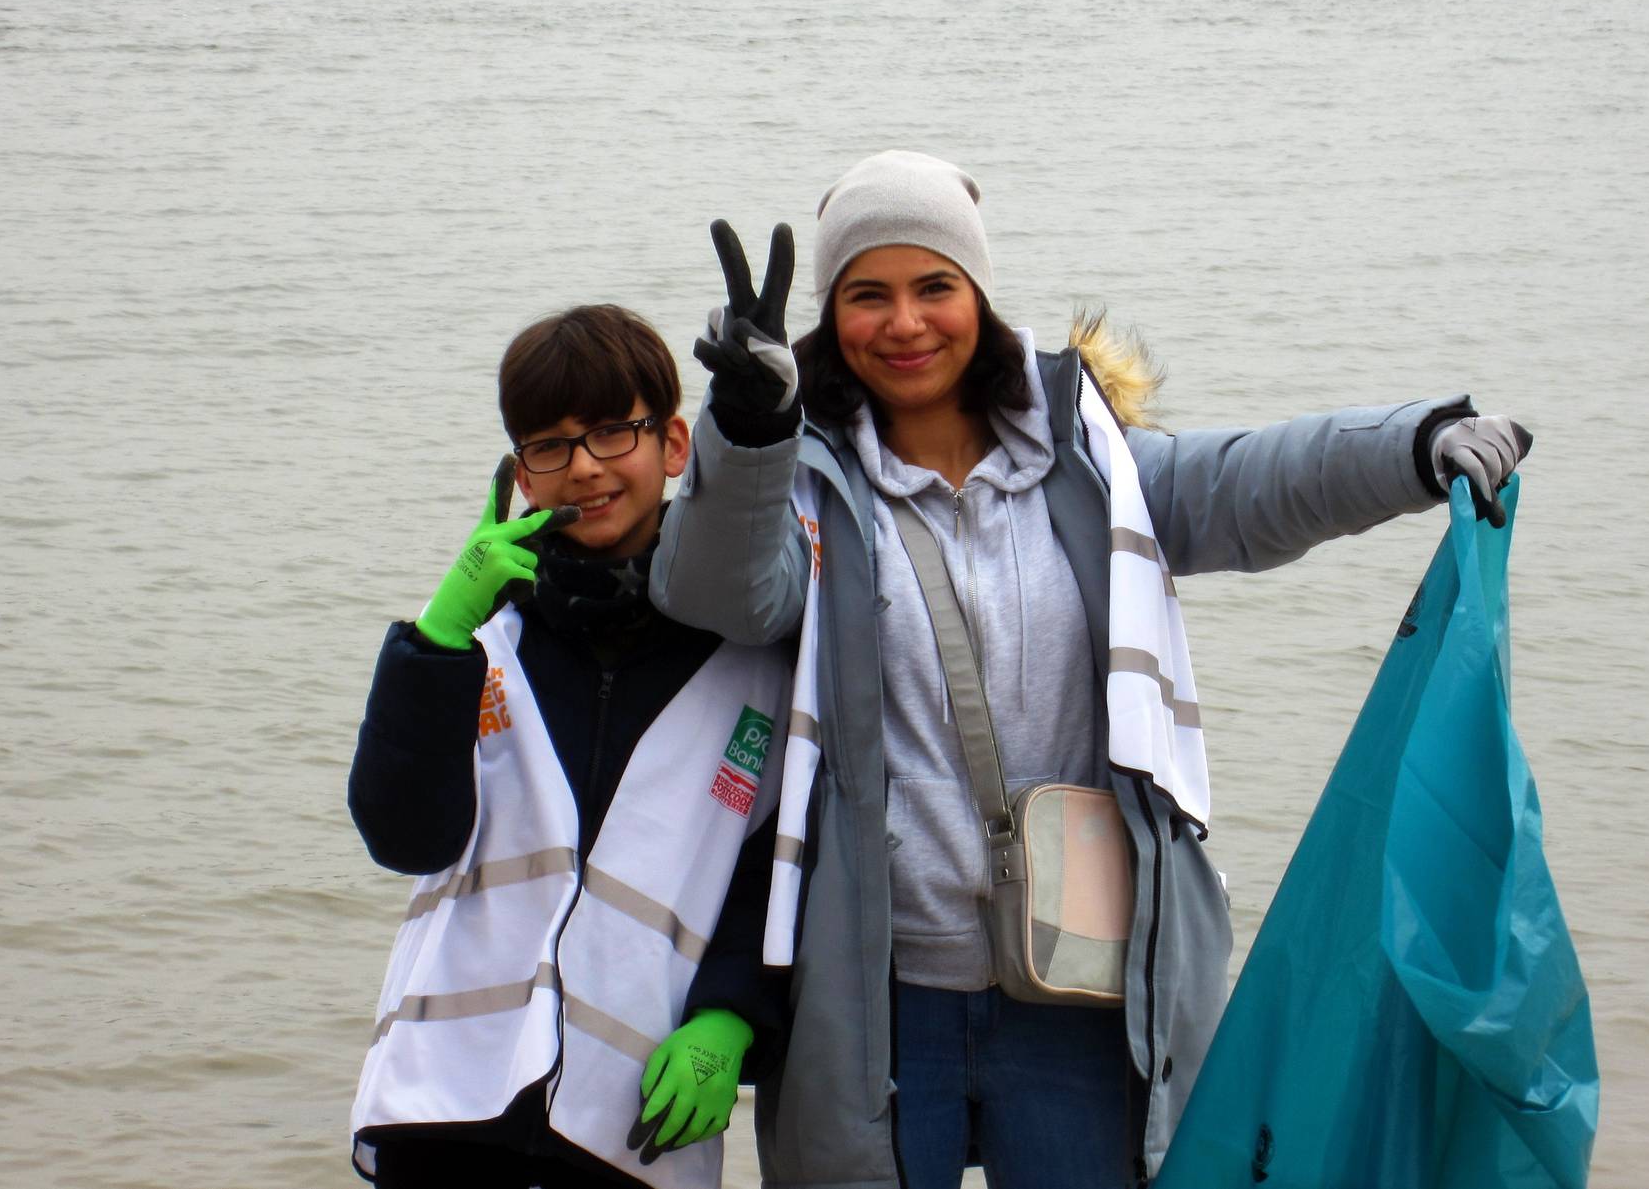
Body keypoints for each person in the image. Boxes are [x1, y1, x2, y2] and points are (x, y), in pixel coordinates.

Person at [648, 151, 1532, 1189]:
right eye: (867, 294)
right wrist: (748, 429)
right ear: (829, 315)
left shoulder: (1091, 462)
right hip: (877, 996)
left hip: (1083, 988)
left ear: (978, 295)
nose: (905, 322)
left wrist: (1417, 446)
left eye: (935, 286)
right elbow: (719, 592)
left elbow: (1251, 481)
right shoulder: (801, 486)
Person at [347, 304, 791, 1189]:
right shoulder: (483, 645)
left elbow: (772, 880)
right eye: (548, 444)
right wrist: (435, 642)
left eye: (609, 431)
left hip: (626, 1127)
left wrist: (733, 1019)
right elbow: (404, 837)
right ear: (520, 474)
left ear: (674, 444)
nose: (582, 465)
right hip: (445, 1112)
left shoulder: (755, 661)